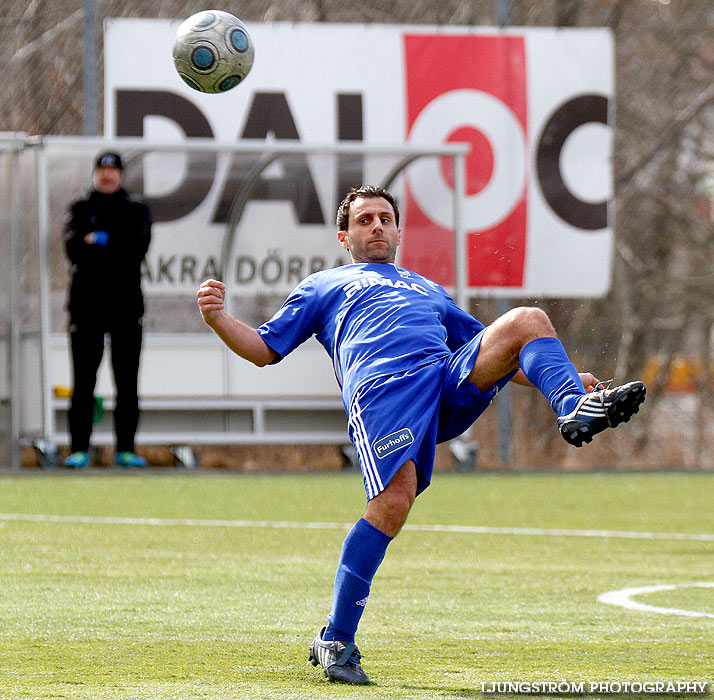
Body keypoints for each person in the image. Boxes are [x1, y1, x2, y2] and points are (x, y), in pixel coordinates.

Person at [196, 185, 646, 684]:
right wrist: (219, 319)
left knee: (527, 320)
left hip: (444, 381)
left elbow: (503, 352)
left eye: (385, 218)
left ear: (398, 230)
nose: (377, 226)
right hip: (385, 392)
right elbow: (263, 348)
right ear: (344, 236)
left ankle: (572, 407)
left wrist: (565, 377)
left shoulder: (429, 290)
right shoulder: (325, 284)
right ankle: (336, 639)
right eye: (365, 220)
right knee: (394, 501)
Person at [62, 152, 152, 468]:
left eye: (113, 170)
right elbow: (73, 248)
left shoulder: (136, 209)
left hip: (126, 308)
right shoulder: (80, 208)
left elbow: (137, 245)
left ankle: (125, 449)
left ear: (121, 175)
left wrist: (100, 240)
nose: (107, 175)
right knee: (84, 381)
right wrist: (114, 245)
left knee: (127, 382)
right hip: (86, 309)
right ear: (95, 174)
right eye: (102, 169)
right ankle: (79, 450)